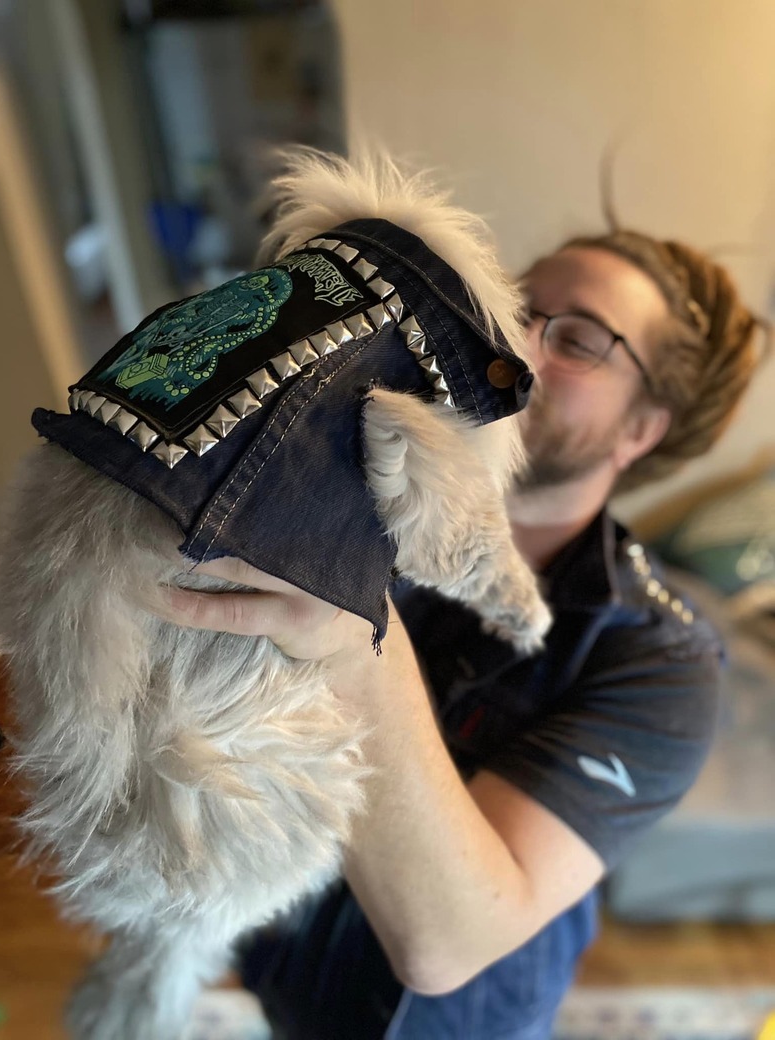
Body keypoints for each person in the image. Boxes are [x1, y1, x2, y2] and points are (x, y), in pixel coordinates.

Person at [160, 228, 763, 1039]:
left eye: (578, 340)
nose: (513, 341)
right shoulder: (354, 492)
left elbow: (448, 943)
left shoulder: (663, 663)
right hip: (283, 964)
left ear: (640, 430)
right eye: (517, 305)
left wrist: (349, 636)